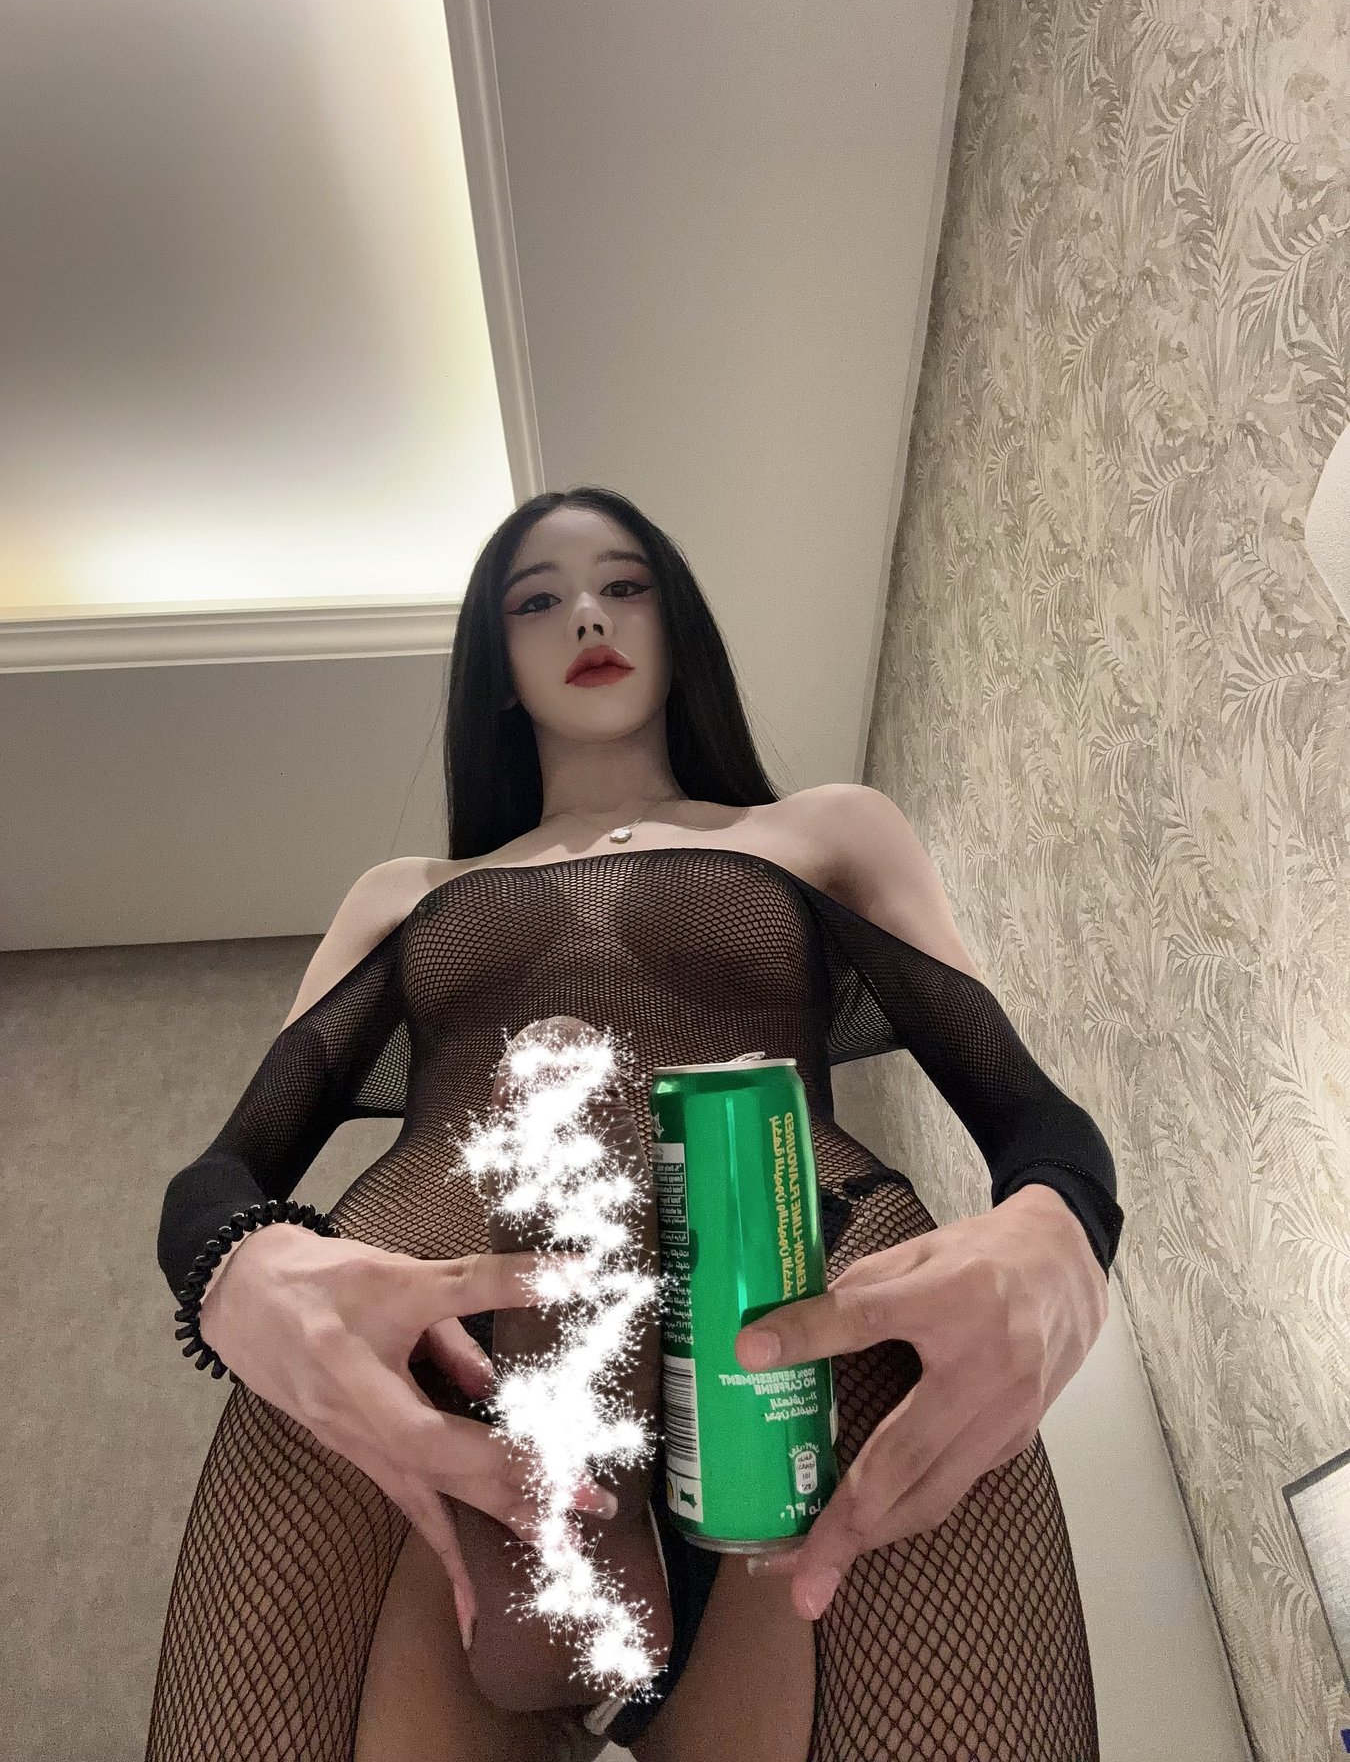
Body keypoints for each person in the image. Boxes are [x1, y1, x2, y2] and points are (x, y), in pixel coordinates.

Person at [148, 485, 1124, 1762]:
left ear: (678, 626)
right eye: (537, 600)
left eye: (624, 585)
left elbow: (1033, 1116)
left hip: (804, 1356)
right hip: (439, 1388)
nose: (587, 617)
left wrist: (1065, 1231)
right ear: (495, 668)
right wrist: (237, 1270)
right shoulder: (403, 892)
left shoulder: (824, 829)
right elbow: (225, 1172)